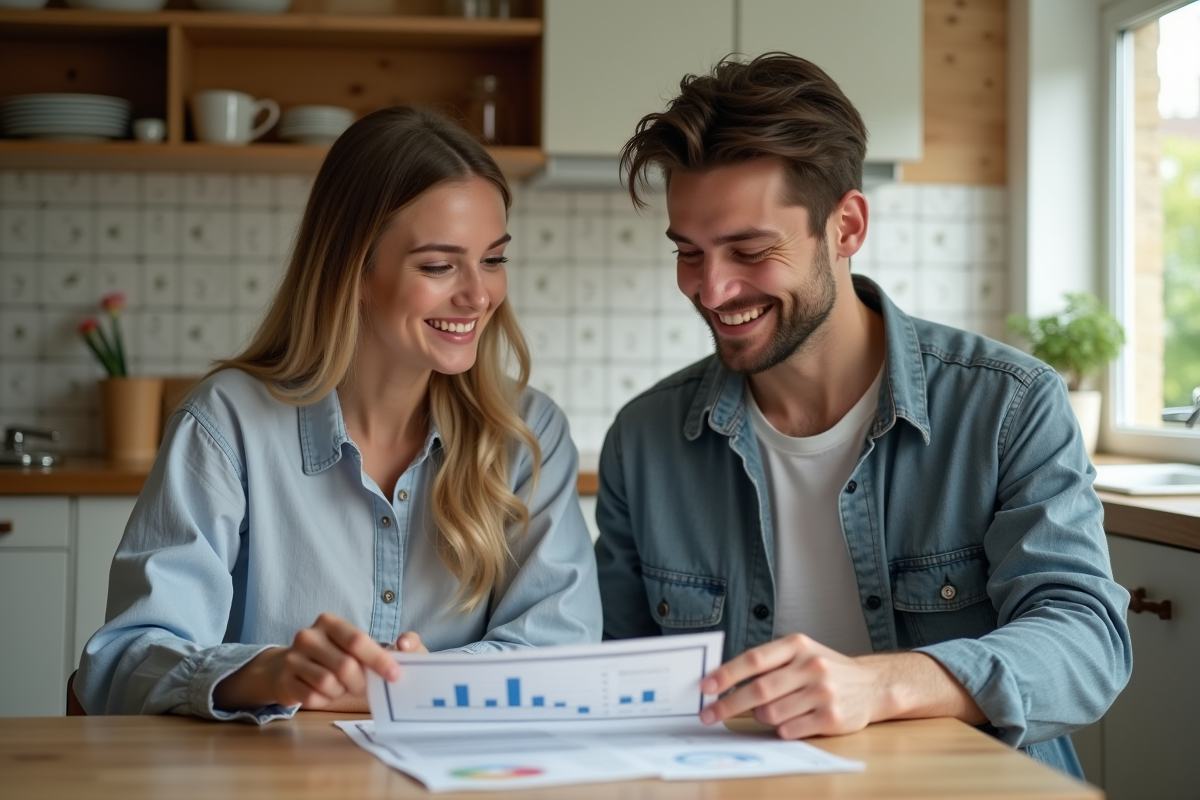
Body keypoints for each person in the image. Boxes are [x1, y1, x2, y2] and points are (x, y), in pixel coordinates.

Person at [594, 53, 1131, 775]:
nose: (712, 289)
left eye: (749, 250)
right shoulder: (645, 439)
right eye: (689, 252)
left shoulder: (1007, 405)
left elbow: (1086, 644)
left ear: (845, 227)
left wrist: (884, 684)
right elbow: (612, 680)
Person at [76, 107, 601, 721]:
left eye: (493, 259)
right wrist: (262, 672)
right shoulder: (227, 423)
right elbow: (122, 664)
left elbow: (562, 658)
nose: (478, 295)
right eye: (438, 265)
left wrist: (403, 682)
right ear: (353, 270)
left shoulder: (526, 433)